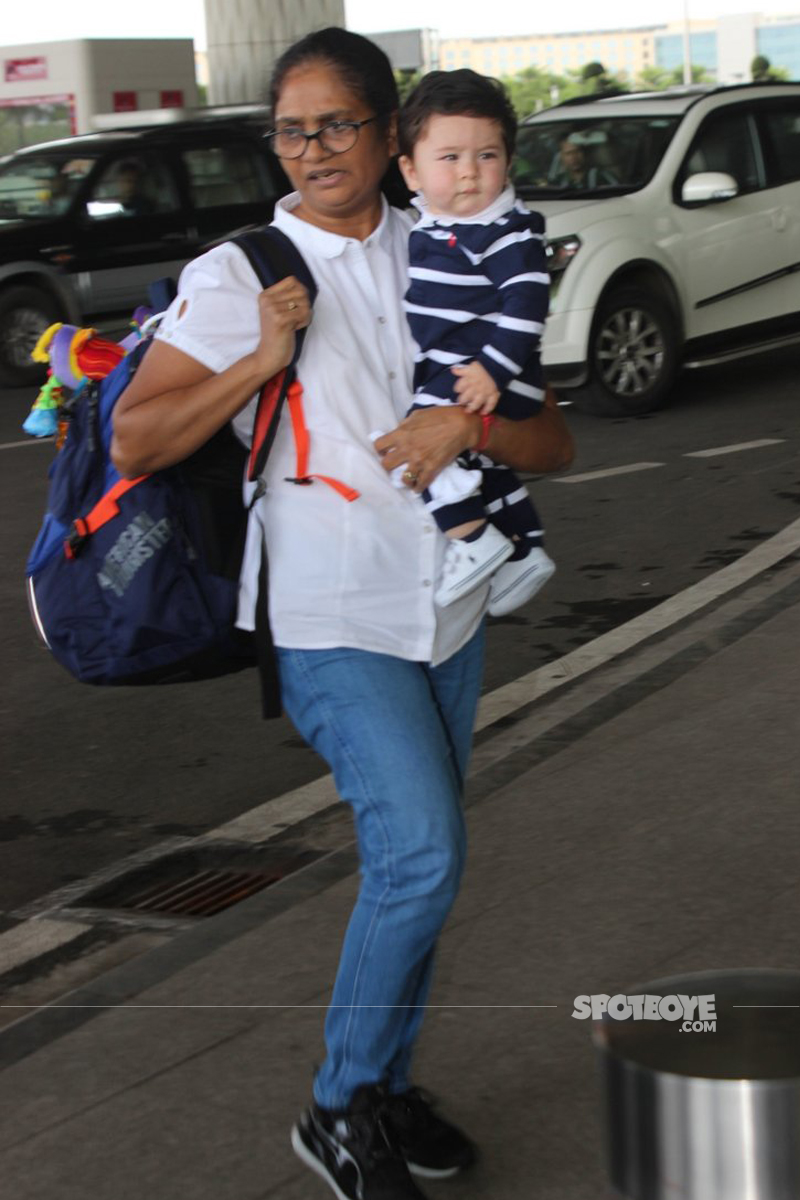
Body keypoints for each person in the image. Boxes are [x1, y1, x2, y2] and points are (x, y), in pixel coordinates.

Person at [111, 27, 574, 1200]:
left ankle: (381, 1087)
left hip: (447, 605)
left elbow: (550, 438)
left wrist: (465, 427)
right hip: (326, 611)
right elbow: (138, 437)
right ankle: (335, 1103)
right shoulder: (241, 271)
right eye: (290, 129)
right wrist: (259, 358)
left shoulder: (451, 235)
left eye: (336, 125)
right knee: (420, 851)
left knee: (417, 862)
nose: (312, 149)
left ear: (389, 135)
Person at [395, 69, 555, 616]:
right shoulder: (434, 226)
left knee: (410, 450)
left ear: (507, 163)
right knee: (486, 471)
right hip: (470, 373)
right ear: (410, 170)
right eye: (450, 157)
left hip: (479, 377)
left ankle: (473, 541)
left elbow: (529, 302)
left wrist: (492, 370)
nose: (469, 173)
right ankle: (524, 552)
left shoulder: (503, 230)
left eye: (486, 156)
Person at [548, 132, 618, 189]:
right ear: (561, 156)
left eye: (577, 151)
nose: (573, 157)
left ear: (584, 153)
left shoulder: (602, 177)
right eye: (568, 153)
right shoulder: (557, 183)